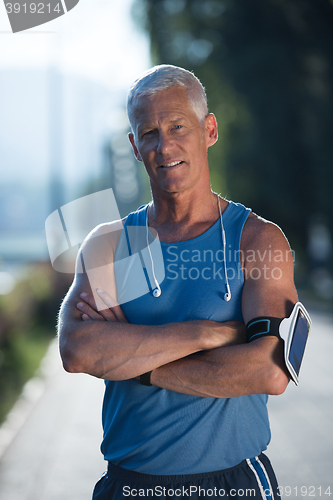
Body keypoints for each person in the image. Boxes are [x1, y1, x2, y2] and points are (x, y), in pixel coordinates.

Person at [58, 65, 298, 499]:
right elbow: (77, 351)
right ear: (134, 146)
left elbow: (269, 369)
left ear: (209, 130)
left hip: (233, 484)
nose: (164, 145)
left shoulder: (256, 240)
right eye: (148, 132)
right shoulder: (114, 245)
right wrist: (209, 334)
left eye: (177, 126)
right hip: (129, 485)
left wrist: (132, 360)